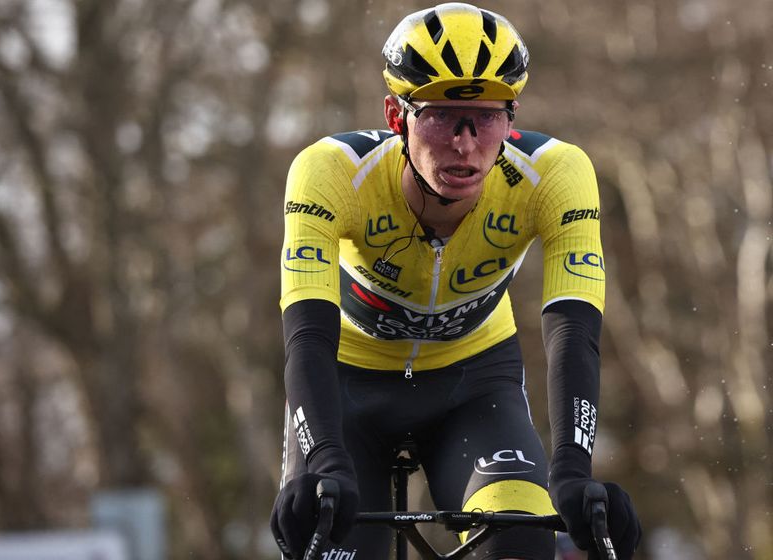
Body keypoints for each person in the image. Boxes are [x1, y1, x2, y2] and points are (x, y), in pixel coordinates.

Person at [270, 3, 642, 559]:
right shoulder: (331, 173)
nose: (465, 145)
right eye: (442, 118)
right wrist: (323, 457)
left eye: (488, 119)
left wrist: (571, 470)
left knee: (521, 539)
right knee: (327, 529)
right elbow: (307, 335)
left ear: (511, 117)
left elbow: (573, 329)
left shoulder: (555, 175)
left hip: (473, 386)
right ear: (397, 116)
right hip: (349, 386)